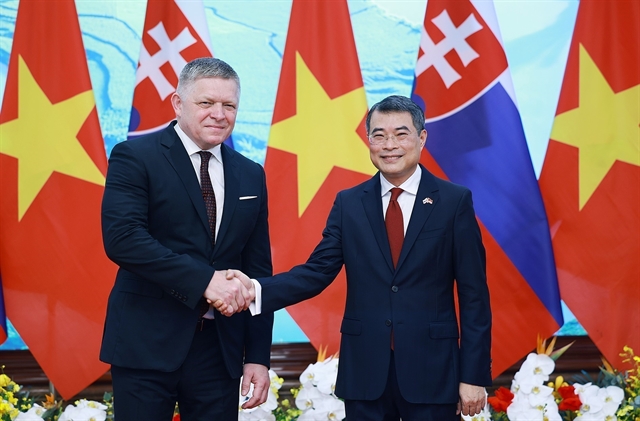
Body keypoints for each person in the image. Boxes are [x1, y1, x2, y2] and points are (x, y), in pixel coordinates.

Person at [228, 95, 492, 420]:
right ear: (368, 140)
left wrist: (473, 375)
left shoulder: (453, 202)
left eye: (401, 134)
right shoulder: (349, 204)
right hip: (365, 372)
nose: (389, 145)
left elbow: (474, 296)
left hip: (433, 370)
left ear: (422, 138)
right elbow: (316, 272)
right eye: (379, 135)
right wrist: (254, 290)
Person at [100, 57, 273, 421]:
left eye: (229, 105)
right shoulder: (135, 156)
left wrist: (258, 355)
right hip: (146, 343)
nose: (219, 115)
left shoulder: (251, 174)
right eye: (206, 103)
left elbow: (258, 270)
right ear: (178, 103)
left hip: (220, 350)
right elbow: (124, 239)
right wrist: (205, 281)